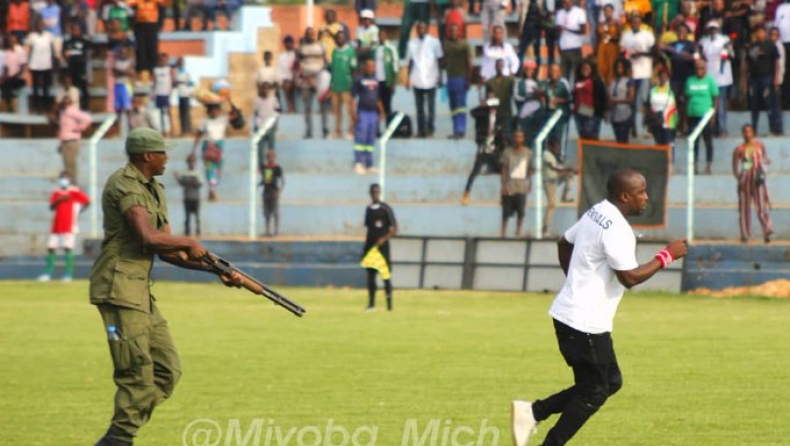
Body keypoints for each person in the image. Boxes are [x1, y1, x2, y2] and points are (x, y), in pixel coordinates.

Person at [511, 168, 688, 446]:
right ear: (625, 195)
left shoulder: (598, 211)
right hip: (585, 323)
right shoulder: (617, 228)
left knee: (609, 382)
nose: (646, 197)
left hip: (574, 317)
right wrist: (667, 255)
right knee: (593, 392)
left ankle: (533, 412)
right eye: (641, 191)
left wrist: (575, 283)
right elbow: (629, 277)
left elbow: (563, 242)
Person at [89, 127, 242, 446]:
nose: (167, 158)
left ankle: (119, 434)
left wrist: (215, 270)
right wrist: (189, 240)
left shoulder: (155, 189)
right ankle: (119, 438)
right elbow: (148, 236)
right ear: (147, 156)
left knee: (166, 370)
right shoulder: (125, 184)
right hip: (118, 287)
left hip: (140, 290)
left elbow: (168, 251)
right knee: (136, 373)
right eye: (162, 152)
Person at [37, 174, 90, 282]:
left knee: (68, 248)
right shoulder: (56, 192)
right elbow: (51, 207)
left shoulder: (74, 192)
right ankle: (47, 274)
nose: (64, 180)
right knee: (51, 248)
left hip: (69, 226)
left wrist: (79, 212)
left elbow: (87, 201)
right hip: (56, 226)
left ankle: (68, 274)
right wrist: (60, 200)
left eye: (66, 178)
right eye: (62, 178)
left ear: (69, 180)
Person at [732, 124, 773, 244]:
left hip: (758, 178)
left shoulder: (759, 145)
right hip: (745, 179)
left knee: (761, 206)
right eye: (745, 132)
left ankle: (767, 231)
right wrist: (739, 178)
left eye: (749, 132)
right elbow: (735, 166)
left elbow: (765, 158)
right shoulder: (739, 149)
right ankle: (745, 234)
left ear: (753, 133)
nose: (747, 134)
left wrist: (765, 163)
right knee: (744, 208)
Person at [190, 102, 239, 201]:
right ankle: (212, 190)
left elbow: (235, 115)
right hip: (208, 146)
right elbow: (198, 135)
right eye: (212, 110)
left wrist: (229, 101)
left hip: (219, 147)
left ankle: (213, 188)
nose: (214, 112)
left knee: (218, 169)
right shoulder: (205, 121)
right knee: (210, 169)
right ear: (209, 111)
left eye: (216, 109)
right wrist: (193, 150)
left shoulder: (223, 119)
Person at [462, 94, 505, 205]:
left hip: (495, 148)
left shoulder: (500, 116)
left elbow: (501, 132)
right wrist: (482, 106)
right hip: (483, 148)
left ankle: (504, 195)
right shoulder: (482, 114)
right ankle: (466, 193)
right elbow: (472, 113)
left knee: (504, 171)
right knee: (475, 171)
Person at [362, 183, 397, 311]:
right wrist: (366, 248)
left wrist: (384, 238)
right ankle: (371, 304)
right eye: (372, 192)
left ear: (380, 192)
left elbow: (395, 228)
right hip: (371, 247)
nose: (374, 194)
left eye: (376, 192)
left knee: (386, 275)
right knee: (371, 277)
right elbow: (369, 229)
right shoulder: (369, 209)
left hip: (383, 248)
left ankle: (389, 305)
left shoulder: (385, 208)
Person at [620, 12, 655, 137]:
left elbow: (653, 52)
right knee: (632, 101)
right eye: (633, 22)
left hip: (644, 71)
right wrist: (627, 57)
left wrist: (641, 54)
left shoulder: (647, 35)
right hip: (631, 72)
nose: (635, 24)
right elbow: (623, 51)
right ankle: (632, 128)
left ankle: (647, 128)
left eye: (638, 22)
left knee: (645, 100)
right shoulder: (626, 35)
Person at [406, 20, 444, 138]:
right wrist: (408, 78)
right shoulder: (412, 43)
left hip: (431, 78)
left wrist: (441, 76)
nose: (421, 30)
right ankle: (421, 130)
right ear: (417, 30)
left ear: (427, 29)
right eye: (419, 28)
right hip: (417, 78)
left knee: (431, 107)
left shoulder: (434, 42)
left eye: (423, 28)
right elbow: (410, 61)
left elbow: (440, 60)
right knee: (419, 108)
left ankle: (430, 129)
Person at [698, 20, 733, 136]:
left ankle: (722, 129)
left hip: (722, 76)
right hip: (709, 76)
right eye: (711, 29)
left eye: (715, 29)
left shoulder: (724, 40)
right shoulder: (703, 41)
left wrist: (728, 49)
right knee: (710, 105)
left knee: (721, 104)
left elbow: (732, 55)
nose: (713, 31)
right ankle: (711, 129)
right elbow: (701, 56)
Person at [746, 24, 782, 136]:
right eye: (757, 32)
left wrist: (776, 78)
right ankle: (754, 130)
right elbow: (747, 62)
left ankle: (773, 128)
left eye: (761, 32)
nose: (759, 34)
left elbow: (776, 62)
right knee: (754, 104)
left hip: (767, 77)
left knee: (768, 103)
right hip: (753, 78)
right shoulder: (752, 46)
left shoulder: (770, 45)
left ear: (765, 33)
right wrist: (746, 80)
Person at [352, 58, 385, 174]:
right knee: (361, 138)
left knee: (371, 139)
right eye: (369, 66)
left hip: (373, 113)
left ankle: (369, 164)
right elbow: (354, 98)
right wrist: (354, 112)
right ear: (365, 67)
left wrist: (381, 111)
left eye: (373, 66)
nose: (371, 68)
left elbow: (377, 98)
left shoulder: (376, 81)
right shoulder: (359, 80)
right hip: (363, 112)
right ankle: (358, 163)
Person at [686, 59, 718, 174]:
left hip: (706, 116)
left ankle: (708, 165)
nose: (699, 70)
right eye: (697, 68)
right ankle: (694, 166)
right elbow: (687, 98)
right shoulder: (690, 81)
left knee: (707, 141)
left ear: (705, 69)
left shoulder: (710, 81)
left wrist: (713, 115)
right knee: (694, 142)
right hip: (692, 115)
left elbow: (715, 98)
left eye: (702, 68)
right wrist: (685, 118)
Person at [662, 22, 696, 132]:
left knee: (686, 102)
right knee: (674, 101)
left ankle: (685, 125)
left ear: (687, 33)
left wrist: (689, 57)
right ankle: (674, 125)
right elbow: (661, 48)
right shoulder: (673, 44)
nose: (681, 33)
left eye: (684, 31)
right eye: (679, 31)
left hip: (688, 76)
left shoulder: (692, 45)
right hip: (675, 77)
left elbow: (698, 58)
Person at [297, 27, 329, 139]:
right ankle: (309, 131)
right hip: (306, 80)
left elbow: (326, 63)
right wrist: (304, 76)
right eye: (308, 33)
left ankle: (325, 130)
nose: (310, 35)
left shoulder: (321, 47)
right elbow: (298, 64)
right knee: (307, 107)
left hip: (319, 79)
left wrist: (318, 76)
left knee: (323, 107)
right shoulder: (302, 48)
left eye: (312, 33)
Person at [500, 128, 533, 238]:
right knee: (505, 212)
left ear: (523, 139)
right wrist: (503, 185)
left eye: (520, 137)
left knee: (521, 212)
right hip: (509, 186)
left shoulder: (528, 153)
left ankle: (518, 232)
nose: (518, 139)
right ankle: (503, 233)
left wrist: (530, 183)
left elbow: (530, 169)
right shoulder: (507, 152)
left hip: (521, 187)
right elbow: (504, 169)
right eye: (516, 137)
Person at [52, 95, 92, 184]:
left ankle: (73, 184)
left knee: (70, 164)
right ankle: (71, 183)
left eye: (66, 102)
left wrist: (79, 128)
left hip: (71, 140)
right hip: (66, 141)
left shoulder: (71, 111)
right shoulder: (64, 112)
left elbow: (87, 118)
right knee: (67, 163)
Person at [443, 22, 473, 139]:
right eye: (452, 31)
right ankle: (455, 129)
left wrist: (469, 79)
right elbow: (445, 60)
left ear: (459, 32)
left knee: (461, 105)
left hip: (461, 78)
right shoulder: (447, 44)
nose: (454, 33)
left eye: (456, 31)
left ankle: (461, 129)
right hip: (450, 78)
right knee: (453, 106)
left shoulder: (465, 45)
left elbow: (470, 63)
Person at [542, 143, 576, 237]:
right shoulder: (546, 154)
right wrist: (566, 169)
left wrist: (569, 170)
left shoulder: (553, 156)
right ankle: (545, 229)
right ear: (551, 147)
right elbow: (553, 167)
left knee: (570, 175)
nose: (558, 150)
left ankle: (564, 196)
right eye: (556, 147)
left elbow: (558, 168)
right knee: (552, 204)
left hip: (555, 179)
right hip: (549, 181)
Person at [330, 30, 358, 140]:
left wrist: (353, 85)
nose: (339, 40)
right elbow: (332, 69)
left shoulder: (350, 52)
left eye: (341, 38)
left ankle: (351, 131)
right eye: (337, 38)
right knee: (336, 111)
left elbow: (354, 69)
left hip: (347, 85)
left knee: (349, 110)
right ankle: (338, 131)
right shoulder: (334, 52)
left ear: (345, 39)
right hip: (335, 85)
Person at [26, 18, 58, 113]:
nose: (39, 26)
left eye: (41, 24)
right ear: (35, 26)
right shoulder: (32, 36)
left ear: (43, 25)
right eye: (38, 24)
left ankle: (46, 107)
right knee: (35, 87)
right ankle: (36, 107)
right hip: (35, 64)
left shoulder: (49, 36)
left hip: (46, 64)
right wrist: (29, 63)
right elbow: (30, 51)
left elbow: (52, 50)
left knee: (46, 87)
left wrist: (53, 63)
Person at [645, 65, 677, 159]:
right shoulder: (653, 91)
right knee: (658, 144)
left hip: (669, 122)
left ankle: (670, 164)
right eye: (661, 76)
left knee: (669, 144)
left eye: (665, 76)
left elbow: (677, 106)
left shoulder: (672, 90)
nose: (663, 78)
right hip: (656, 122)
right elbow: (648, 106)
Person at [572, 59, 606, 140]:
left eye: (587, 68)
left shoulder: (597, 81)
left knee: (592, 138)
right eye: (583, 68)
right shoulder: (577, 81)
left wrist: (602, 111)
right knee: (583, 137)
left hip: (592, 114)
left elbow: (602, 97)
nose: (585, 70)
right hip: (579, 113)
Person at [127, 0, 162, 76]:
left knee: (152, 50)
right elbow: (130, 7)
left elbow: (164, 7)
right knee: (140, 50)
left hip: (152, 26)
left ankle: (152, 73)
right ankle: (141, 73)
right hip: (140, 26)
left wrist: (159, 25)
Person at [556, 0, 587, 83]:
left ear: (571, 2)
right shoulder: (560, 13)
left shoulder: (579, 12)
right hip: (564, 48)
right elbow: (558, 30)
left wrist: (568, 29)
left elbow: (583, 30)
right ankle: (565, 94)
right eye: (563, 3)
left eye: (567, 2)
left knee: (577, 73)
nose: (565, 4)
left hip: (575, 47)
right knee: (564, 74)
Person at [513, 59, 543, 146]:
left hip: (538, 113)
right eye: (527, 69)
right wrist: (529, 97)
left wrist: (539, 94)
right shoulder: (518, 82)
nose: (530, 71)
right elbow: (516, 96)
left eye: (532, 69)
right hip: (524, 114)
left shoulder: (539, 82)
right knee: (525, 136)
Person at [62, 22, 91, 111]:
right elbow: (64, 54)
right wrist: (66, 55)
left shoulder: (84, 42)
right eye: (73, 30)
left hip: (81, 69)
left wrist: (80, 56)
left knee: (84, 90)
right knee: (72, 90)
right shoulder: (67, 42)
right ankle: (72, 108)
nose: (75, 32)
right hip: (71, 69)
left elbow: (88, 53)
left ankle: (85, 108)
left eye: (77, 30)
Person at [607, 58, 635, 143]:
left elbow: (631, 99)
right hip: (614, 114)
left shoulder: (628, 82)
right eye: (617, 67)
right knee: (618, 139)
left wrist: (616, 100)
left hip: (624, 114)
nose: (619, 69)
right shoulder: (613, 82)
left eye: (621, 67)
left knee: (623, 139)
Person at [485, 58, 515, 138]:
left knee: (507, 134)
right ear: (495, 67)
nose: (499, 67)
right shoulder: (490, 82)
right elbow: (487, 99)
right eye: (498, 65)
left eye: (501, 66)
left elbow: (514, 94)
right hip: (494, 112)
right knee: (493, 135)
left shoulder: (510, 81)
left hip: (506, 111)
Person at [253, 82, 280, 170]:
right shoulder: (257, 100)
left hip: (270, 127)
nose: (265, 90)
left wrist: (274, 123)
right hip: (260, 127)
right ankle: (260, 167)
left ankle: (271, 165)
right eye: (264, 88)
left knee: (271, 149)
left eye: (267, 88)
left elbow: (278, 110)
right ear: (261, 89)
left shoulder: (273, 99)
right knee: (260, 149)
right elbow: (256, 112)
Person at [374, 29, 399, 121]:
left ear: (386, 37)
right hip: (376, 81)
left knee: (387, 105)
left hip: (387, 81)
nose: (381, 37)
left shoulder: (391, 48)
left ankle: (389, 129)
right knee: (376, 106)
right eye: (380, 36)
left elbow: (395, 66)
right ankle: (376, 130)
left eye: (383, 36)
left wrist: (393, 83)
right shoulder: (375, 49)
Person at [174, 156, 202, 236]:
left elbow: (199, 184)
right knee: (187, 217)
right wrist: (177, 178)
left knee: (197, 217)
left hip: (195, 198)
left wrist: (190, 181)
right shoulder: (185, 174)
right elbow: (182, 183)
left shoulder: (197, 173)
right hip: (187, 197)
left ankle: (198, 232)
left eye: (193, 162)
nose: (191, 164)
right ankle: (187, 233)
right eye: (190, 162)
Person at [259, 150, 284, 237]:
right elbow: (264, 179)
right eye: (268, 156)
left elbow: (281, 181)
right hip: (266, 192)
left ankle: (276, 230)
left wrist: (278, 191)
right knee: (266, 213)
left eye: (271, 156)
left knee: (275, 212)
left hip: (273, 192)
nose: (270, 158)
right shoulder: (264, 167)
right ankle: (267, 231)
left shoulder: (277, 168)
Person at [1, 33, 27, 112]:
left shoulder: (19, 50)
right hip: (6, 78)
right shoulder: (5, 51)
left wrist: (13, 76)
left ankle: (9, 107)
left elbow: (23, 67)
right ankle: (7, 107)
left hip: (17, 78)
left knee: (7, 83)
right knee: (5, 83)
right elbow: (5, 67)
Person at [596, 4, 621, 86]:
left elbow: (620, 38)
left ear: (612, 12)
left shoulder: (616, 23)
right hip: (602, 49)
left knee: (612, 68)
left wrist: (611, 38)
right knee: (602, 68)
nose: (607, 13)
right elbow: (597, 37)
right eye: (606, 11)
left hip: (612, 48)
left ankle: (611, 88)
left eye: (609, 11)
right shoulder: (600, 24)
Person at [113, 44, 135, 131]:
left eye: (124, 53)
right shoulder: (116, 61)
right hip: (118, 85)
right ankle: (118, 129)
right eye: (121, 52)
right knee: (118, 108)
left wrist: (120, 71)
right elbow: (115, 73)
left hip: (127, 85)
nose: (123, 54)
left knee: (128, 108)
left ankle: (131, 128)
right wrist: (125, 71)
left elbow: (131, 73)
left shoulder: (130, 61)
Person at [152, 52, 174, 135]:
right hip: (158, 93)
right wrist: (153, 93)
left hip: (166, 93)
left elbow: (172, 81)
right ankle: (162, 131)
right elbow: (154, 82)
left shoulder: (169, 69)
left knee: (168, 112)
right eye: (161, 60)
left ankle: (171, 132)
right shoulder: (155, 70)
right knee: (159, 113)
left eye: (164, 60)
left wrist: (171, 93)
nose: (162, 61)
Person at [770, 26, 785, 131]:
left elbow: (780, 65)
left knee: (776, 104)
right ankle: (773, 127)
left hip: (776, 79)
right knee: (772, 104)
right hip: (770, 78)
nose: (773, 37)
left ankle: (778, 128)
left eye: (775, 35)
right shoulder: (770, 45)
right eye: (771, 34)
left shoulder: (779, 47)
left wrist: (777, 80)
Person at [278, 35, 298, 114]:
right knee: (286, 86)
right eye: (287, 43)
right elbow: (281, 70)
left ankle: (292, 107)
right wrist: (282, 81)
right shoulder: (281, 56)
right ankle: (289, 107)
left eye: (290, 43)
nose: (289, 45)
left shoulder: (296, 54)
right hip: (287, 79)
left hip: (296, 78)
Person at [174, 57, 193, 135]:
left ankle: (188, 130)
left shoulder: (186, 72)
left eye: (181, 62)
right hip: (180, 94)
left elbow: (191, 83)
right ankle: (183, 130)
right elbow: (174, 83)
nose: (180, 64)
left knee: (186, 113)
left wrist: (182, 82)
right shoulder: (176, 72)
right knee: (181, 113)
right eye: (179, 62)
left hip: (186, 94)